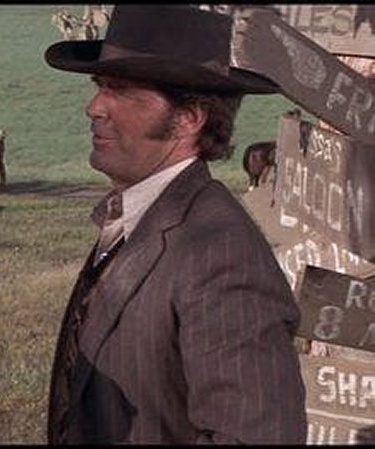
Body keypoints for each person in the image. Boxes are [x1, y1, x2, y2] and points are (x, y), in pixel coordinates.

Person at [43, 5, 305, 444]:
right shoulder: (143, 214)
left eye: (119, 90)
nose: (94, 107)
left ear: (188, 118)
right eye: (99, 86)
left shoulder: (219, 254)